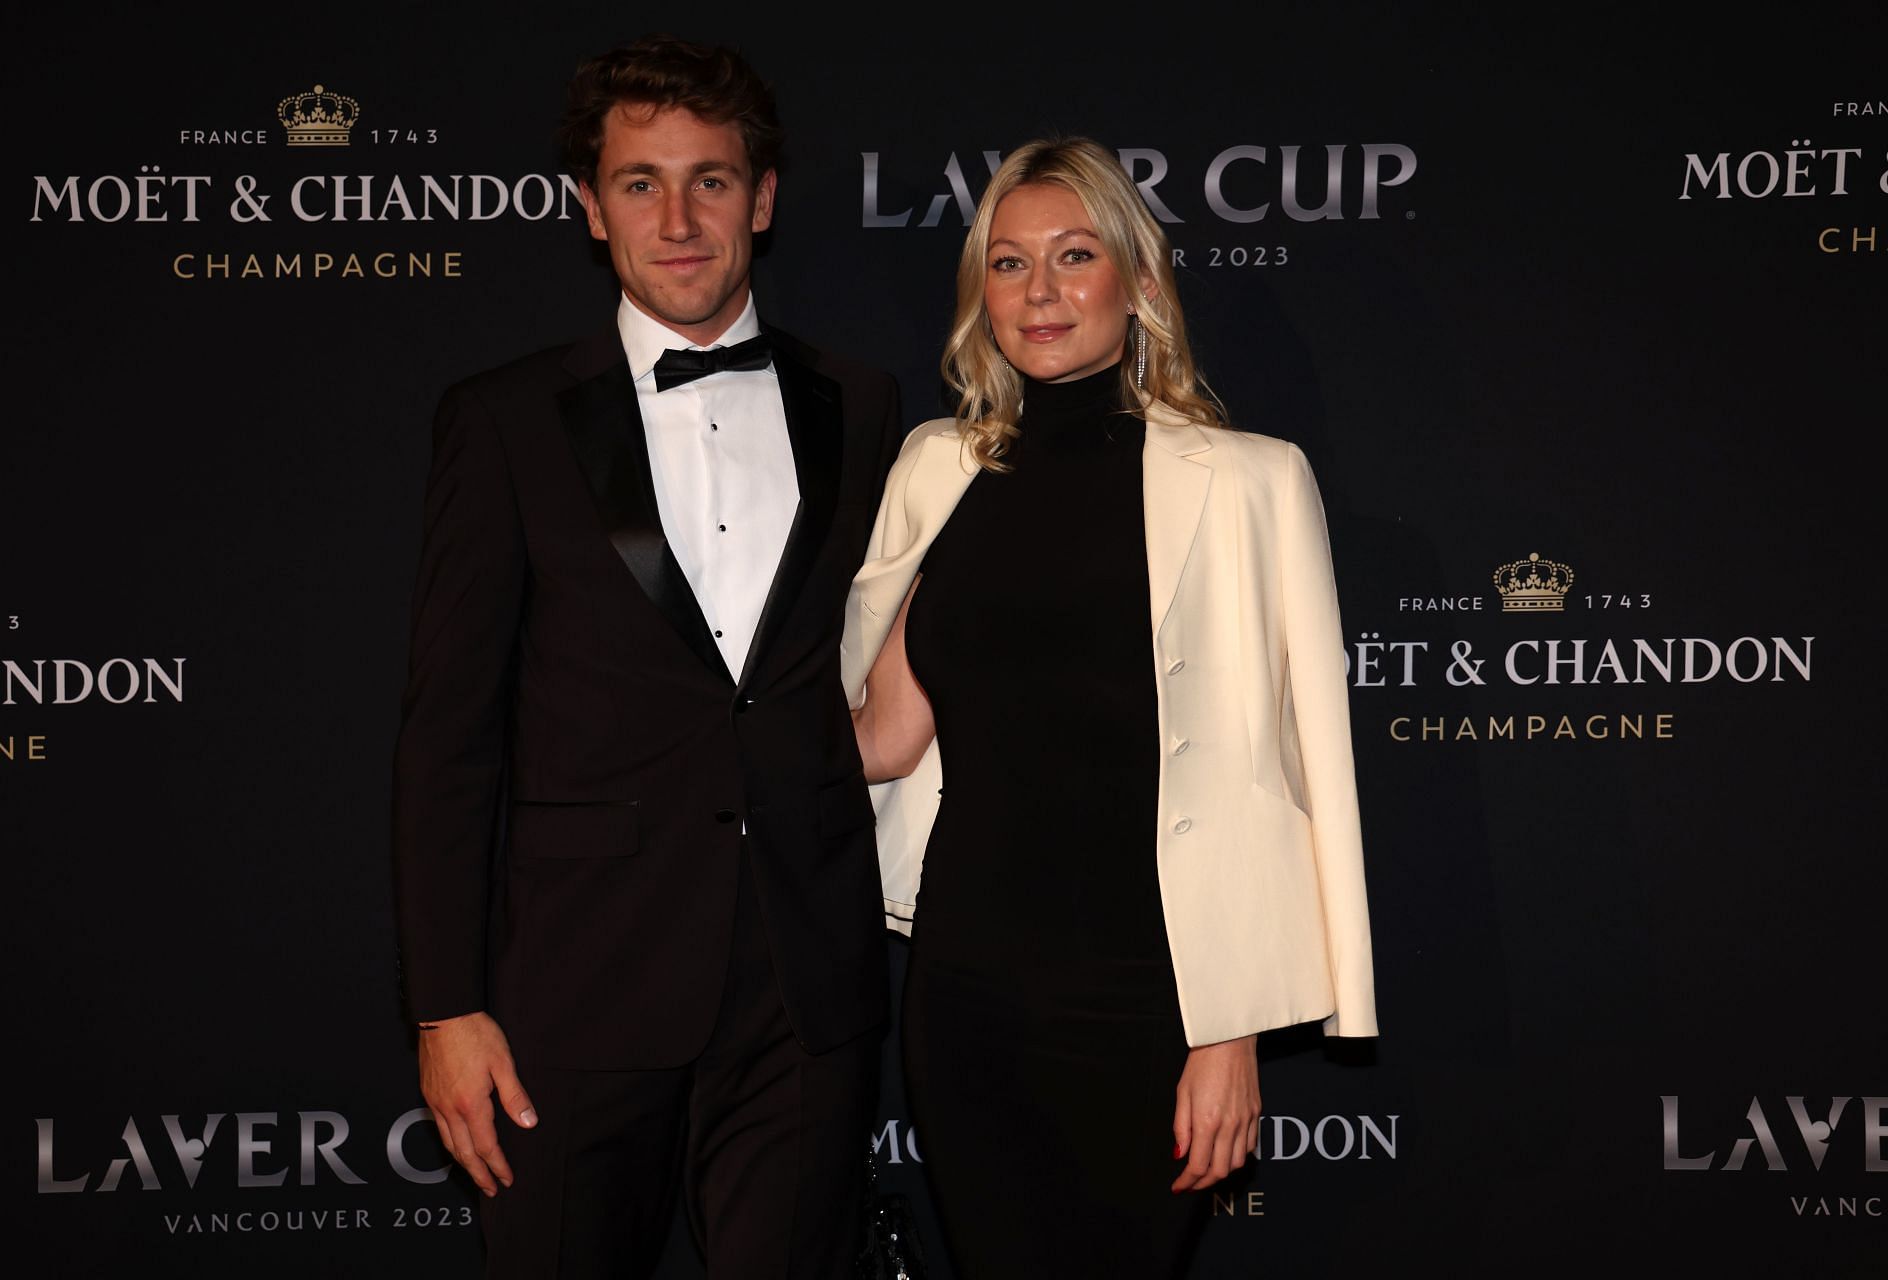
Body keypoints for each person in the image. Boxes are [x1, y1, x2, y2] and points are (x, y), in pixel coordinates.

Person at [390, 35, 901, 1279]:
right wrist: (446, 1005)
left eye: (711, 180)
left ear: (762, 199)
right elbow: (448, 730)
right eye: (639, 182)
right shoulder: (504, 419)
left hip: (804, 979)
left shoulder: (867, 406)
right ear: (590, 206)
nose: (678, 219)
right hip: (575, 986)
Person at [843, 137, 1378, 1278]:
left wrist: (1225, 1029)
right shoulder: (935, 469)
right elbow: (885, 734)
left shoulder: (1249, 480)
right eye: (1008, 262)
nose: (1038, 293)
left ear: (1137, 281)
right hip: (965, 984)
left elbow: (1272, 767)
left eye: (1073, 256)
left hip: (1147, 994)